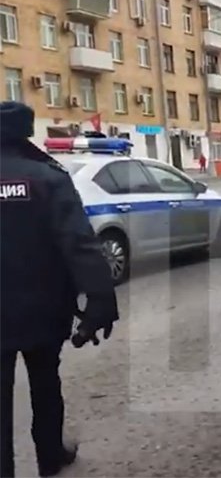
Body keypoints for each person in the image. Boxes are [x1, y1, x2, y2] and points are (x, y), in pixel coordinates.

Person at [0, 101, 119, 478]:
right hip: (43, 304)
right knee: (45, 382)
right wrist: (101, 299)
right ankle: (50, 454)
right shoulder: (48, 177)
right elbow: (79, 244)